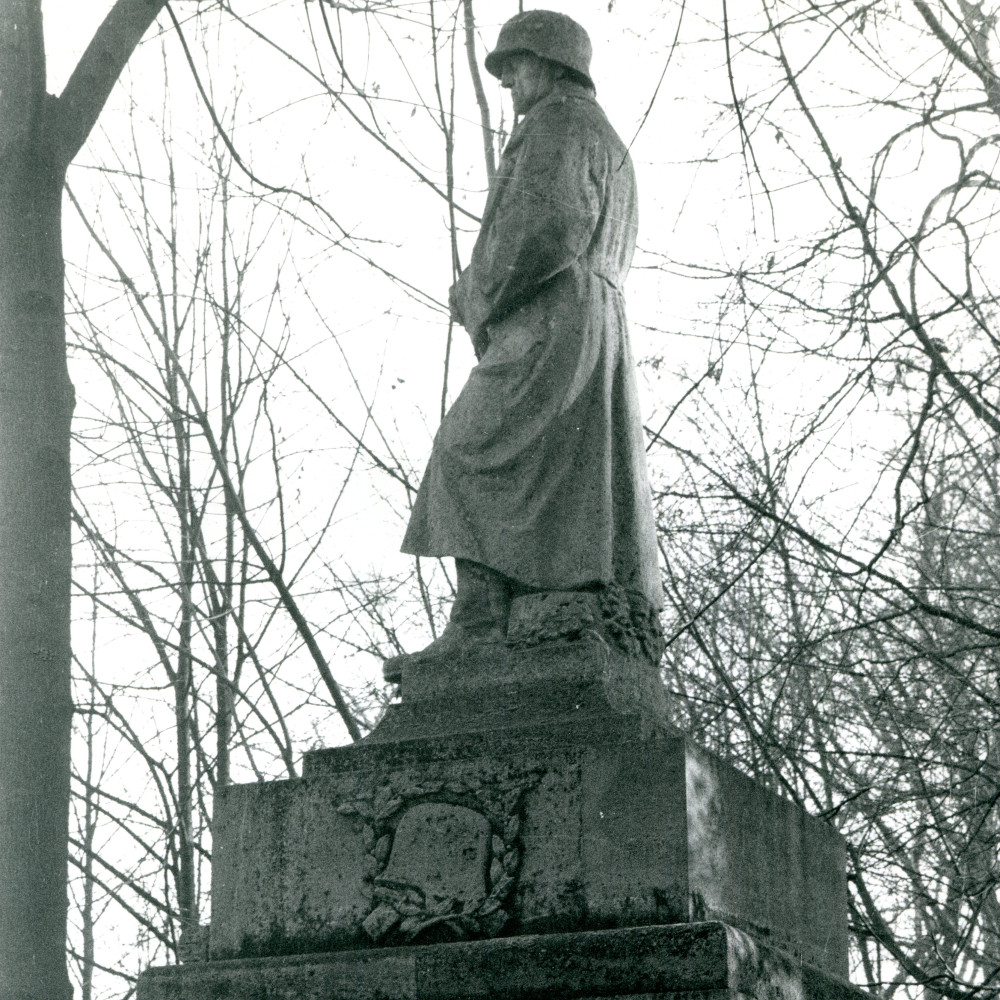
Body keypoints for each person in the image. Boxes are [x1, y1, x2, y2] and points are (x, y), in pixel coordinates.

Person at [386, 10, 661, 681]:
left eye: (518, 71)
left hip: (552, 316)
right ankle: (513, 617)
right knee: (572, 483)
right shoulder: (607, 140)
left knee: (466, 449)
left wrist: (477, 292)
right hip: (593, 322)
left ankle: (479, 624)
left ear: (552, 65)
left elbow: (547, 227)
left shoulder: (558, 126)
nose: (511, 86)